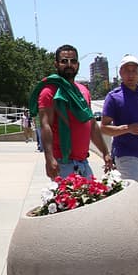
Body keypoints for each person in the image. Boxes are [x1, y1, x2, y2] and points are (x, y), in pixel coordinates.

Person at [31, 46, 112, 181]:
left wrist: (105, 152)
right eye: (64, 61)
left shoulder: (83, 91)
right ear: (56, 64)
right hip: (63, 164)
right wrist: (49, 158)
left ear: (78, 65)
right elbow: (46, 125)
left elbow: (92, 125)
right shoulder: (49, 92)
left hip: (83, 163)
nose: (69, 65)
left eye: (73, 61)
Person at [99, 55, 138, 182]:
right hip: (124, 156)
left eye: (134, 71)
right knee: (131, 192)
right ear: (121, 73)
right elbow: (103, 128)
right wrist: (127, 129)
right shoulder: (113, 97)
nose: (131, 75)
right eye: (127, 71)